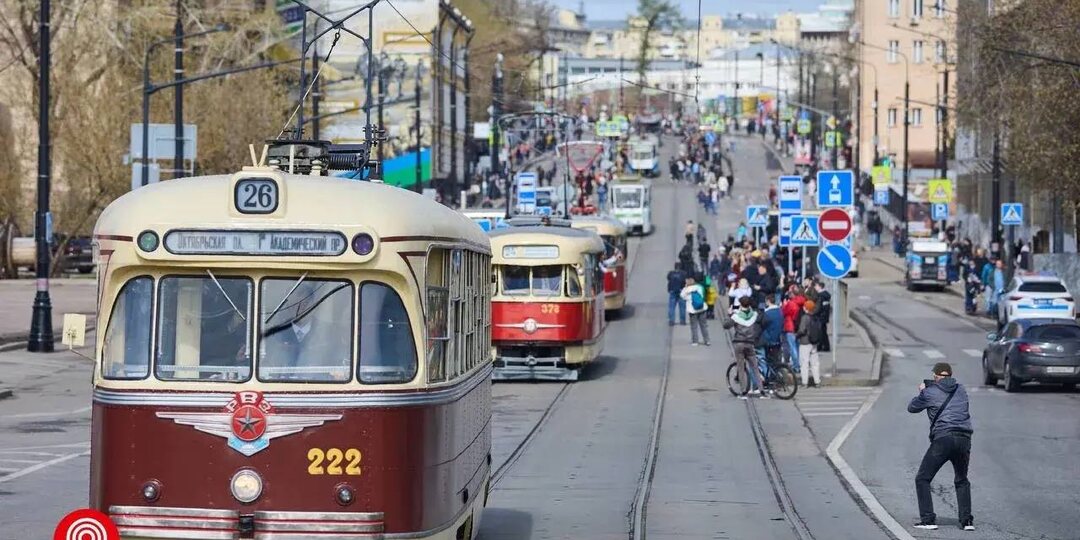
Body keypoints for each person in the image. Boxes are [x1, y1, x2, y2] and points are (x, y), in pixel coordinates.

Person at [907, 362, 974, 532]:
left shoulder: (929, 392)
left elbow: (912, 408)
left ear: (935, 376)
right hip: (964, 438)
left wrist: (922, 391)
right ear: (950, 375)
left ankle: (928, 519)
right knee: (961, 479)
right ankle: (967, 521)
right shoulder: (961, 389)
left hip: (944, 438)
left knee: (923, 478)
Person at [724, 296, 763, 397]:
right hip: (750, 343)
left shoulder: (736, 316)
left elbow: (726, 325)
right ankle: (761, 390)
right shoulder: (754, 315)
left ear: (740, 304)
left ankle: (743, 391)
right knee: (755, 367)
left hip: (739, 343)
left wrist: (729, 314)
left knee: (741, 367)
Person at [758, 294, 784, 390]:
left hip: (768, 340)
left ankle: (769, 380)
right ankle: (777, 379)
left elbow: (761, 325)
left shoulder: (767, 313)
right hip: (777, 340)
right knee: (776, 361)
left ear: (768, 301)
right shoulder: (780, 312)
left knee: (766, 360)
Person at [796, 300, 822, 387]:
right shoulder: (816, 317)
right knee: (815, 363)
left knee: (804, 363)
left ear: (806, 308)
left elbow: (802, 330)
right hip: (814, 342)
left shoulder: (805, 317)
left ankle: (805, 382)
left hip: (805, 342)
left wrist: (796, 336)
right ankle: (817, 381)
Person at [781, 286, 807, 373]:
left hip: (790, 326)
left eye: (789, 293)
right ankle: (799, 364)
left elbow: (784, 312)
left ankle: (796, 366)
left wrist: (784, 305)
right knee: (797, 346)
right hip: (799, 326)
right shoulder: (803, 301)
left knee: (792, 347)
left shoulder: (792, 303)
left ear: (793, 294)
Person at [680, 276, 711, 346]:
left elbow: (682, 296)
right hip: (702, 308)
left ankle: (695, 341)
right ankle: (707, 340)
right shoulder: (699, 287)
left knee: (694, 326)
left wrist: (685, 287)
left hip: (692, 310)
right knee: (703, 325)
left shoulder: (686, 290)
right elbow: (703, 296)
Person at [813, 280, 832, 352]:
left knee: (820, 332)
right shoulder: (826, 295)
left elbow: (819, 307)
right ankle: (826, 346)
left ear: (820, 287)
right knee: (824, 332)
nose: (815, 287)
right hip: (825, 316)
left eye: (816, 286)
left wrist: (814, 313)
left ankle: (820, 346)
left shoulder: (820, 296)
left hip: (820, 316)